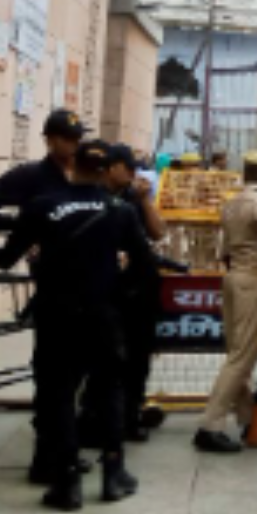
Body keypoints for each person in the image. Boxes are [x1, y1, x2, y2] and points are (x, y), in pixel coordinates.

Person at [0, 140, 153, 510]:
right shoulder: (119, 210)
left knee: (60, 395)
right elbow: (145, 265)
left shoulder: (43, 206)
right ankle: (113, 474)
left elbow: (5, 258)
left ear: (73, 166)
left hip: (57, 316)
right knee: (110, 389)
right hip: (103, 316)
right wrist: (118, 285)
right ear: (104, 170)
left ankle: (67, 481)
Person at [0, 109, 83, 483]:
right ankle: (49, 458)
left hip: (88, 290)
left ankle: (59, 444)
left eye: (76, 138)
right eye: (66, 138)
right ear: (49, 139)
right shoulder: (31, 177)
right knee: (52, 376)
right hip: (53, 289)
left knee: (73, 375)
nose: (73, 145)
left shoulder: (83, 177)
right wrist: (25, 228)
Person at [193, 151, 257, 453]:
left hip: (233, 277)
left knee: (238, 353)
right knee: (242, 358)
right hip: (256, 280)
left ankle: (250, 419)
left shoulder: (231, 203)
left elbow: (223, 253)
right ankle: (210, 425)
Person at [99, 144, 167, 442]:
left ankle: (130, 416)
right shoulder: (95, 199)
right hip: (106, 292)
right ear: (110, 168)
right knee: (107, 360)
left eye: (133, 168)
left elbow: (158, 232)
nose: (131, 173)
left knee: (138, 357)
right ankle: (101, 419)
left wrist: (145, 200)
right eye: (126, 167)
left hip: (138, 290)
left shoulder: (133, 197)